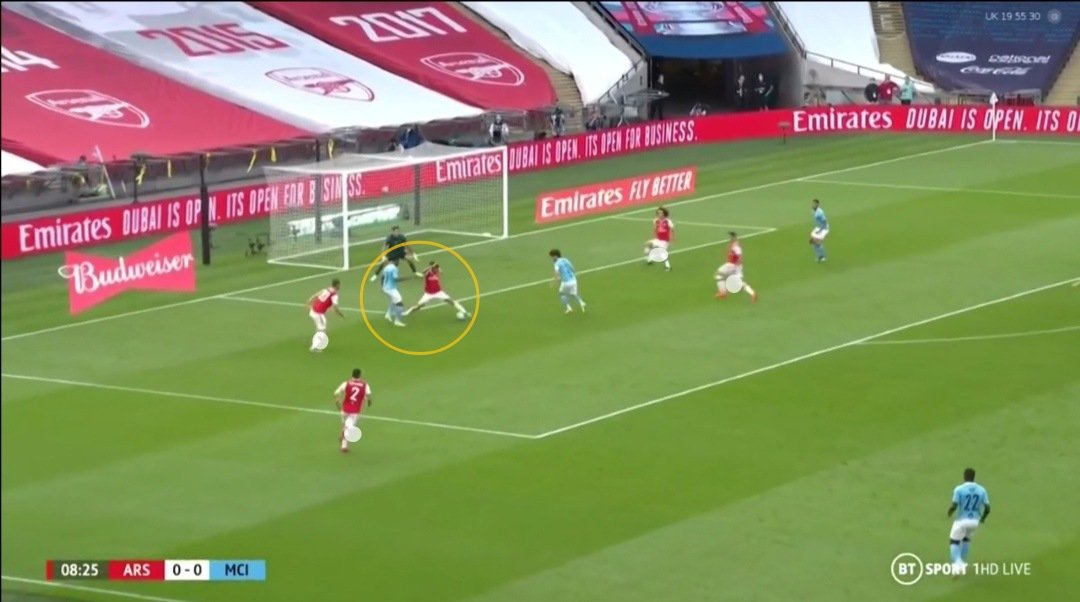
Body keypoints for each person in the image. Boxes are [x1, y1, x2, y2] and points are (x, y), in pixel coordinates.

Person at [947, 468, 991, 570]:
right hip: (975, 522)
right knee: (966, 539)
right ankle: (961, 564)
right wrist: (983, 518)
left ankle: (959, 563)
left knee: (954, 542)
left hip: (962, 521)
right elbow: (988, 508)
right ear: (974, 477)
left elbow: (954, 505)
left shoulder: (959, 489)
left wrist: (949, 512)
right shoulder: (982, 490)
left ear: (964, 476)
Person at [403, 261, 472, 318]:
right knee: (419, 306)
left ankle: (465, 312)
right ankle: (407, 312)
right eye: (435, 268)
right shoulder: (428, 273)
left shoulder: (437, 271)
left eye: (437, 268)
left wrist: (436, 267)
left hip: (439, 292)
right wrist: (430, 267)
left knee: (451, 301)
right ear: (432, 268)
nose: (437, 269)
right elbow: (423, 273)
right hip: (428, 294)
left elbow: (441, 271)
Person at [334, 368, 371, 453]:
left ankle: (343, 432)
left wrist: (337, 400)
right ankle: (344, 446)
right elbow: (368, 395)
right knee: (349, 428)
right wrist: (368, 401)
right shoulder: (365, 385)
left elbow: (336, 393)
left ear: (352, 375)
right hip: (355, 411)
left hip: (344, 409)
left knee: (346, 425)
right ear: (360, 375)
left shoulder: (346, 383)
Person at [715, 231, 758, 302]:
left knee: (719, 274)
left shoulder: (736, 247)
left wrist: (736, 266)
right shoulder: (732, 245)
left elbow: (739, 257)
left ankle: (723, 292)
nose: (730, 238)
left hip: (732, 266)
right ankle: (753, 293)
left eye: (732, 237)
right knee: (737, 284)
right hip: (733, 266)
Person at [307, 279, 345, 351]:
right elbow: (335, 308)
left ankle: (314, 341)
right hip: (318, 313)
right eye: (339, 285)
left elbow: (315, 295)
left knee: (320, 328)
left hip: (313, 310)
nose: (340, 286)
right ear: (337, 285)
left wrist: (309, 302)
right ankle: (314, 347)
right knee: (322, 330)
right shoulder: (334, 295)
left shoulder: (326, 290)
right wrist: (341, 315)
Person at [549, 249, 586, 314]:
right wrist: (574, 274)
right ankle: (581, 302)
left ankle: (569, 308)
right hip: (573, 280)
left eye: (552, 257)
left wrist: (554, 282)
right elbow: (572, 267)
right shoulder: (565, 260)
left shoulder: (556, 263)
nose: (551, 258)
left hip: (566, 282)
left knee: (562, 293)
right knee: (573, 294)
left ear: (555, 256)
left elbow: (557, 273)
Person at [644, 207, 674, 271]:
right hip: (658, 239)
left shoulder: (668, 221)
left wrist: (672, 238)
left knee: (662, 253)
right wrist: (653, 235)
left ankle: (668, 266)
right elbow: (655, 228)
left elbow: (672, 229)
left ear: (664, 214)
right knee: (648, 244)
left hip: (664, 241)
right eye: (658, 213)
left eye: (661, 213)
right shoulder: (656, 220)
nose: (659, 214)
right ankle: (649, 260)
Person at [381, 258, 407, 327]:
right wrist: (405, 279)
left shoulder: (386, 267)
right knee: (399, 303)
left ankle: (388, 314)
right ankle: (397, 321)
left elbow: (382, 277)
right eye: (397, 261)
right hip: (391, 289)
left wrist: (382, 286)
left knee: (393, 300)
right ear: (395, 261)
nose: (398, 262)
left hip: (386, 288)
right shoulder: (394, 268)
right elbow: (395, 279)